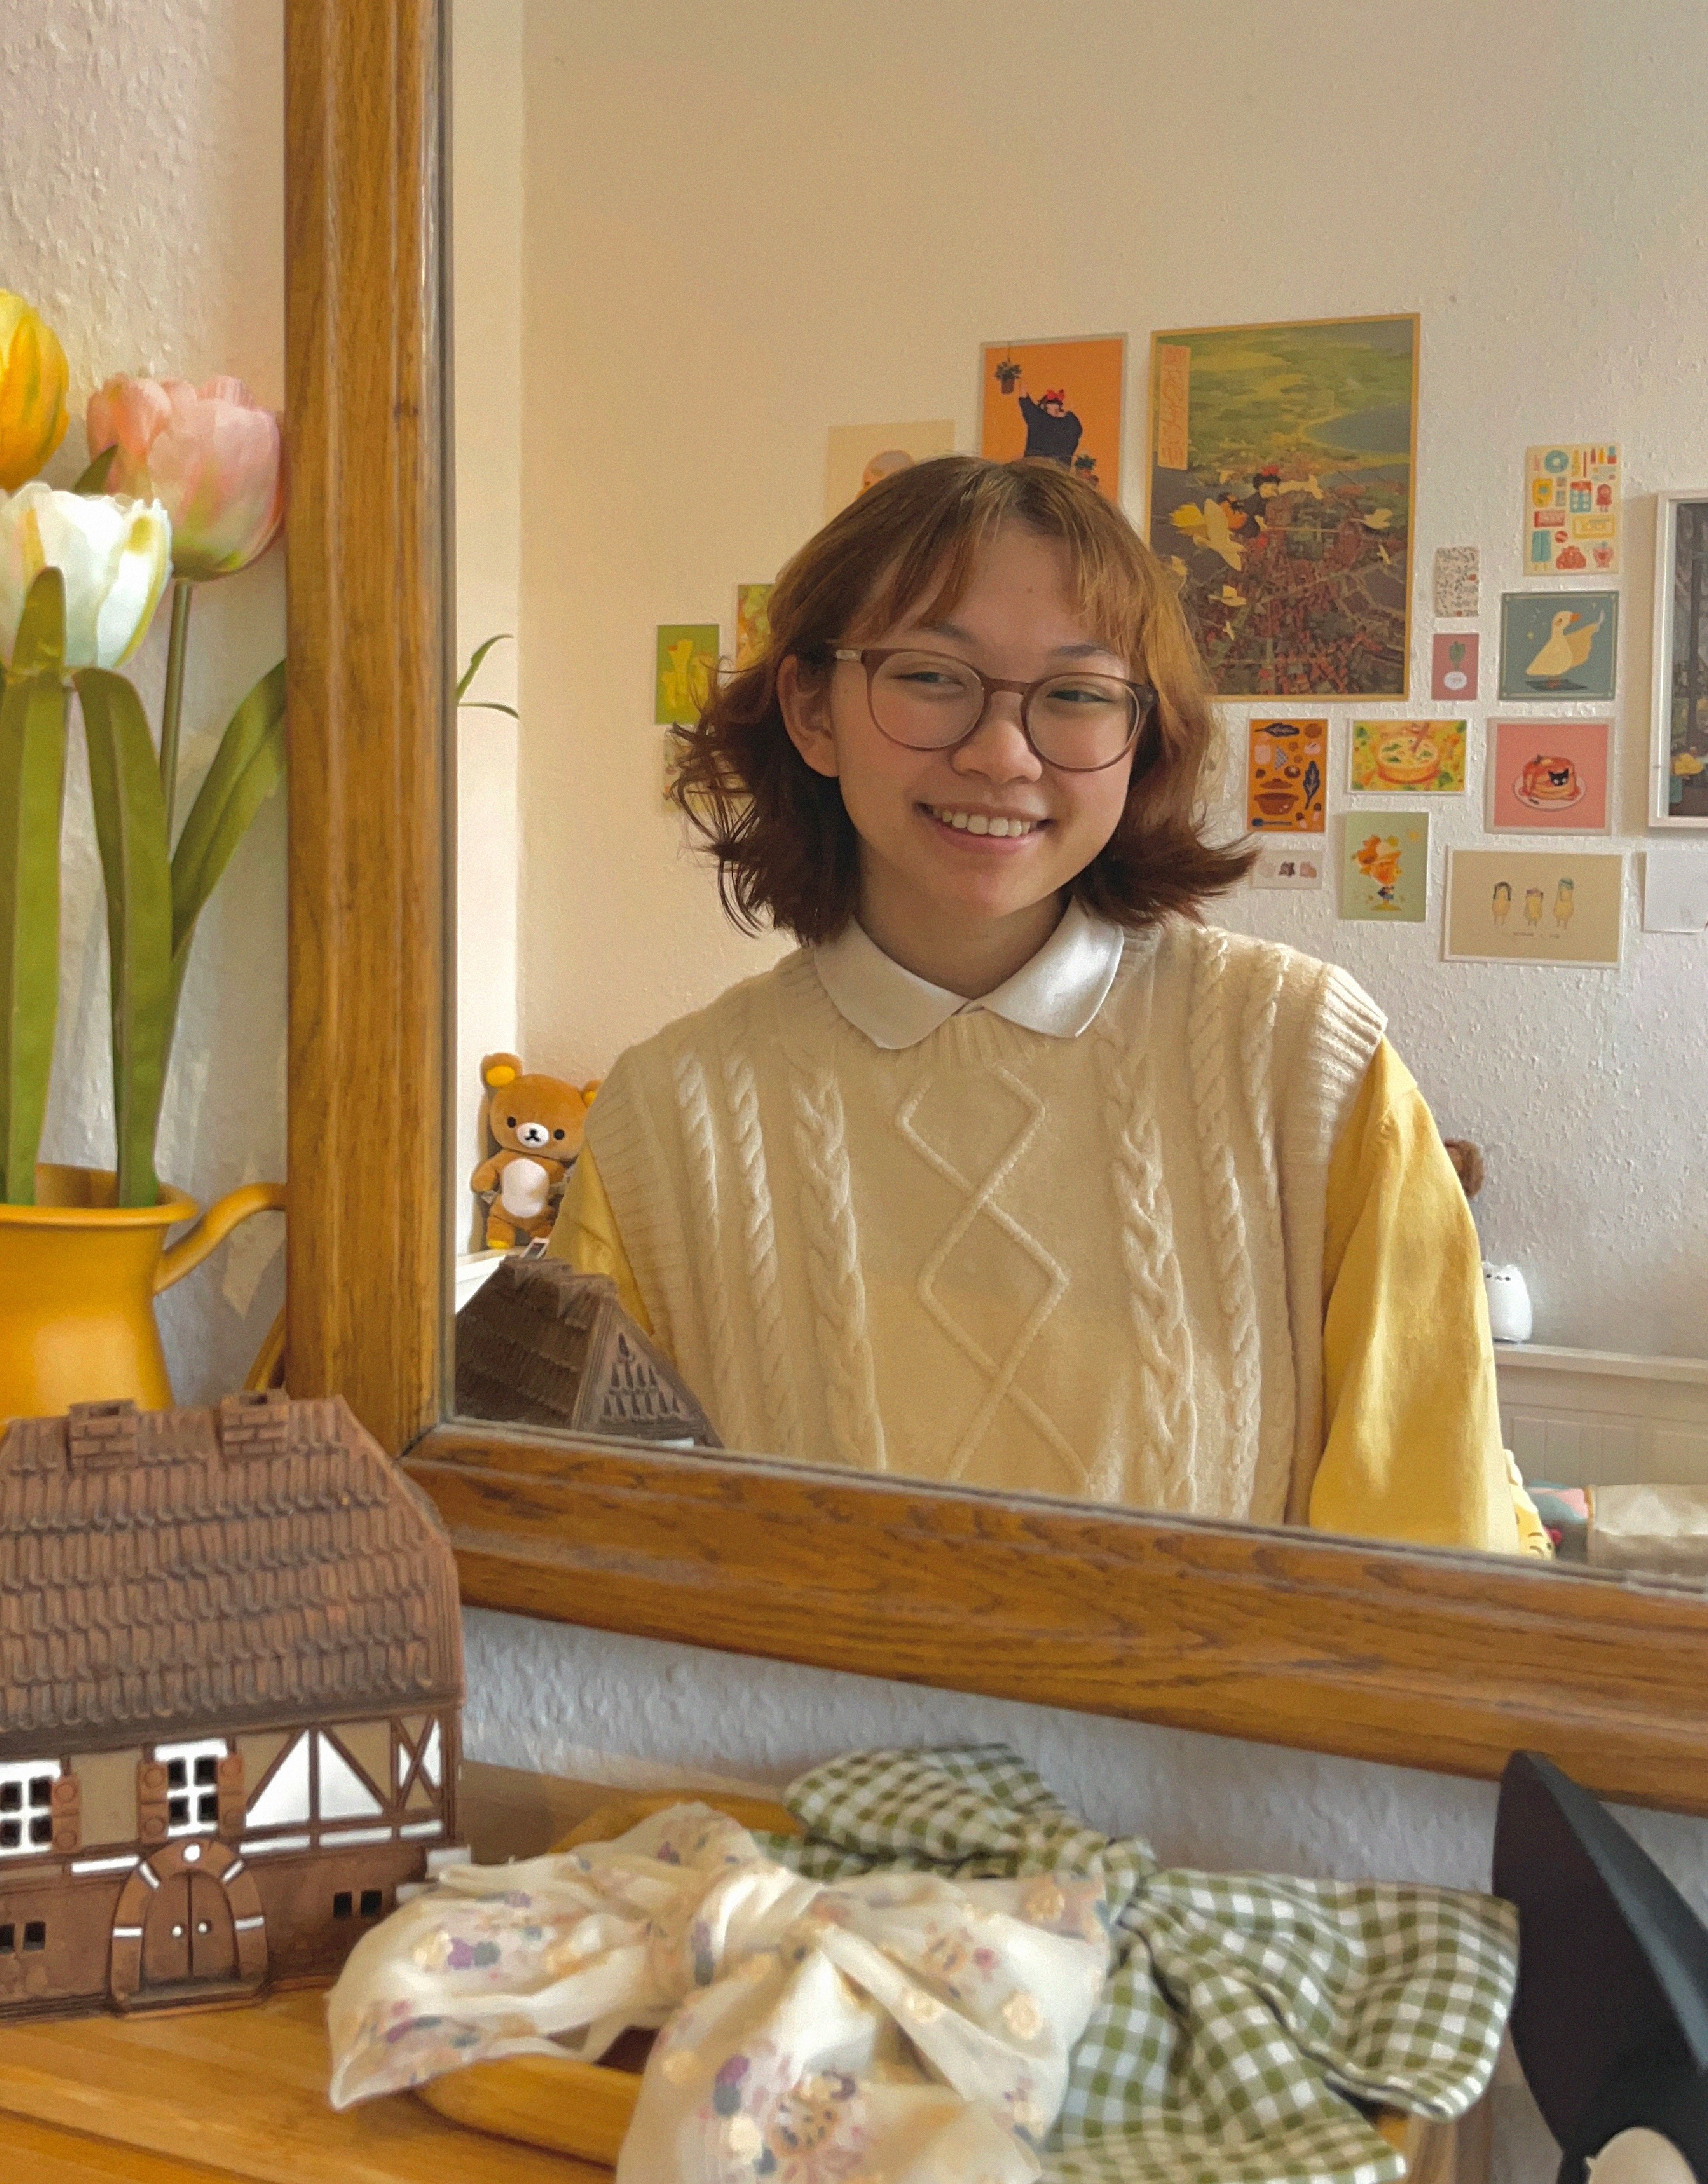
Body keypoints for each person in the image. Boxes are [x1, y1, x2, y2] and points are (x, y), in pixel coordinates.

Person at [550, 456, 1544, 1555]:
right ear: (811, 709)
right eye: (931, 677)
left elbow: (1434, 1557)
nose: (1000, 754)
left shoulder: (1303, 1060)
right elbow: (602, 1583)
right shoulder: (666, 1123)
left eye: (1075, 695)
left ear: (1140, 736)